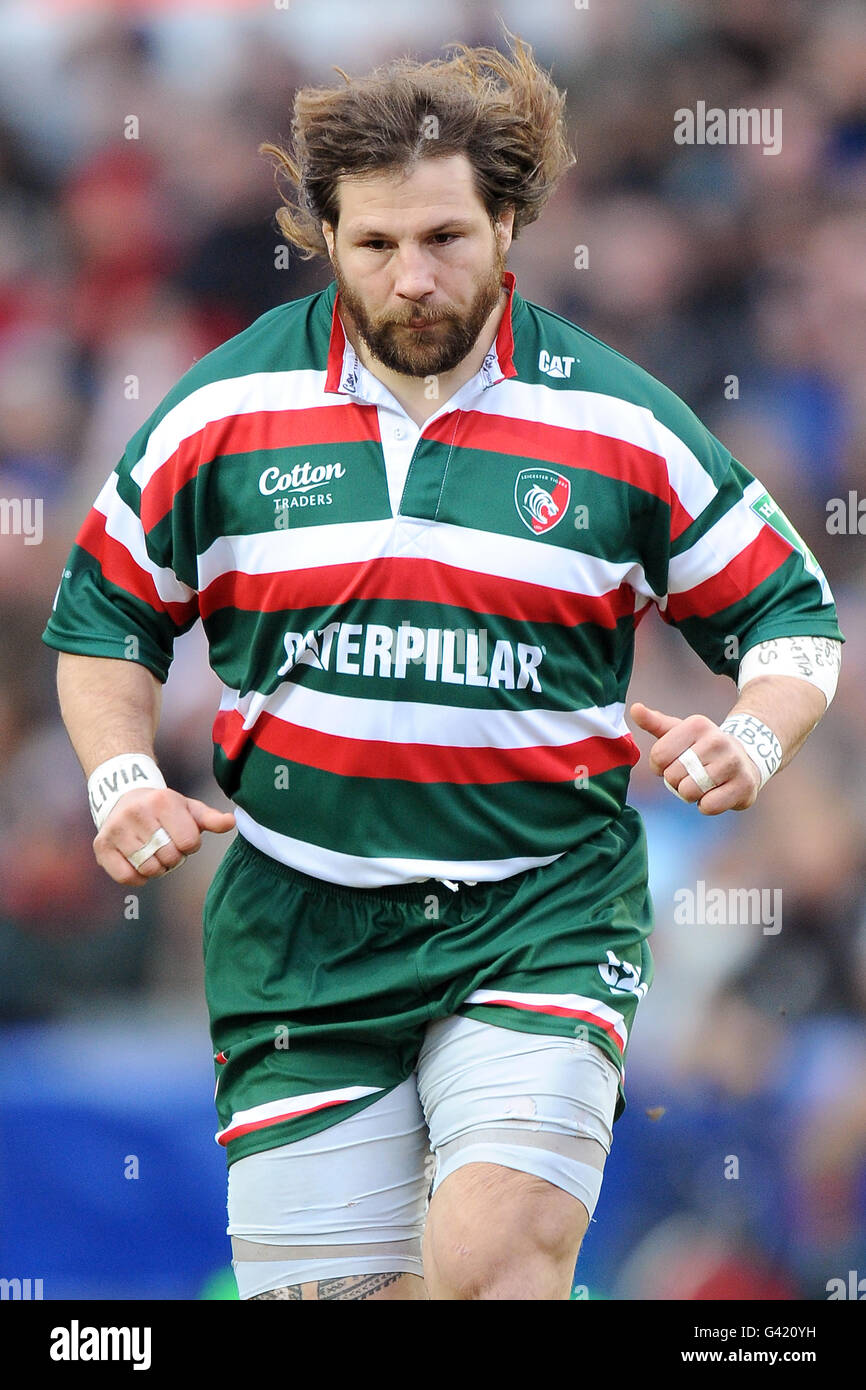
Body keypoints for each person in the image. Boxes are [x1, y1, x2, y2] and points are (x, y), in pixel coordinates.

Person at [43, 33, 843, 1301]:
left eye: (444, 240)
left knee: (491, 1261)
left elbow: (794, 622)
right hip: (300, 925)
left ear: (507, 224)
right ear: (325, 238)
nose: (411, 278)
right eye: (374, 247)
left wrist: (748, 735)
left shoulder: (622, 421)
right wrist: (119, 776)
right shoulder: (217, 412)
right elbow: (102, 625)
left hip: (538, 906)